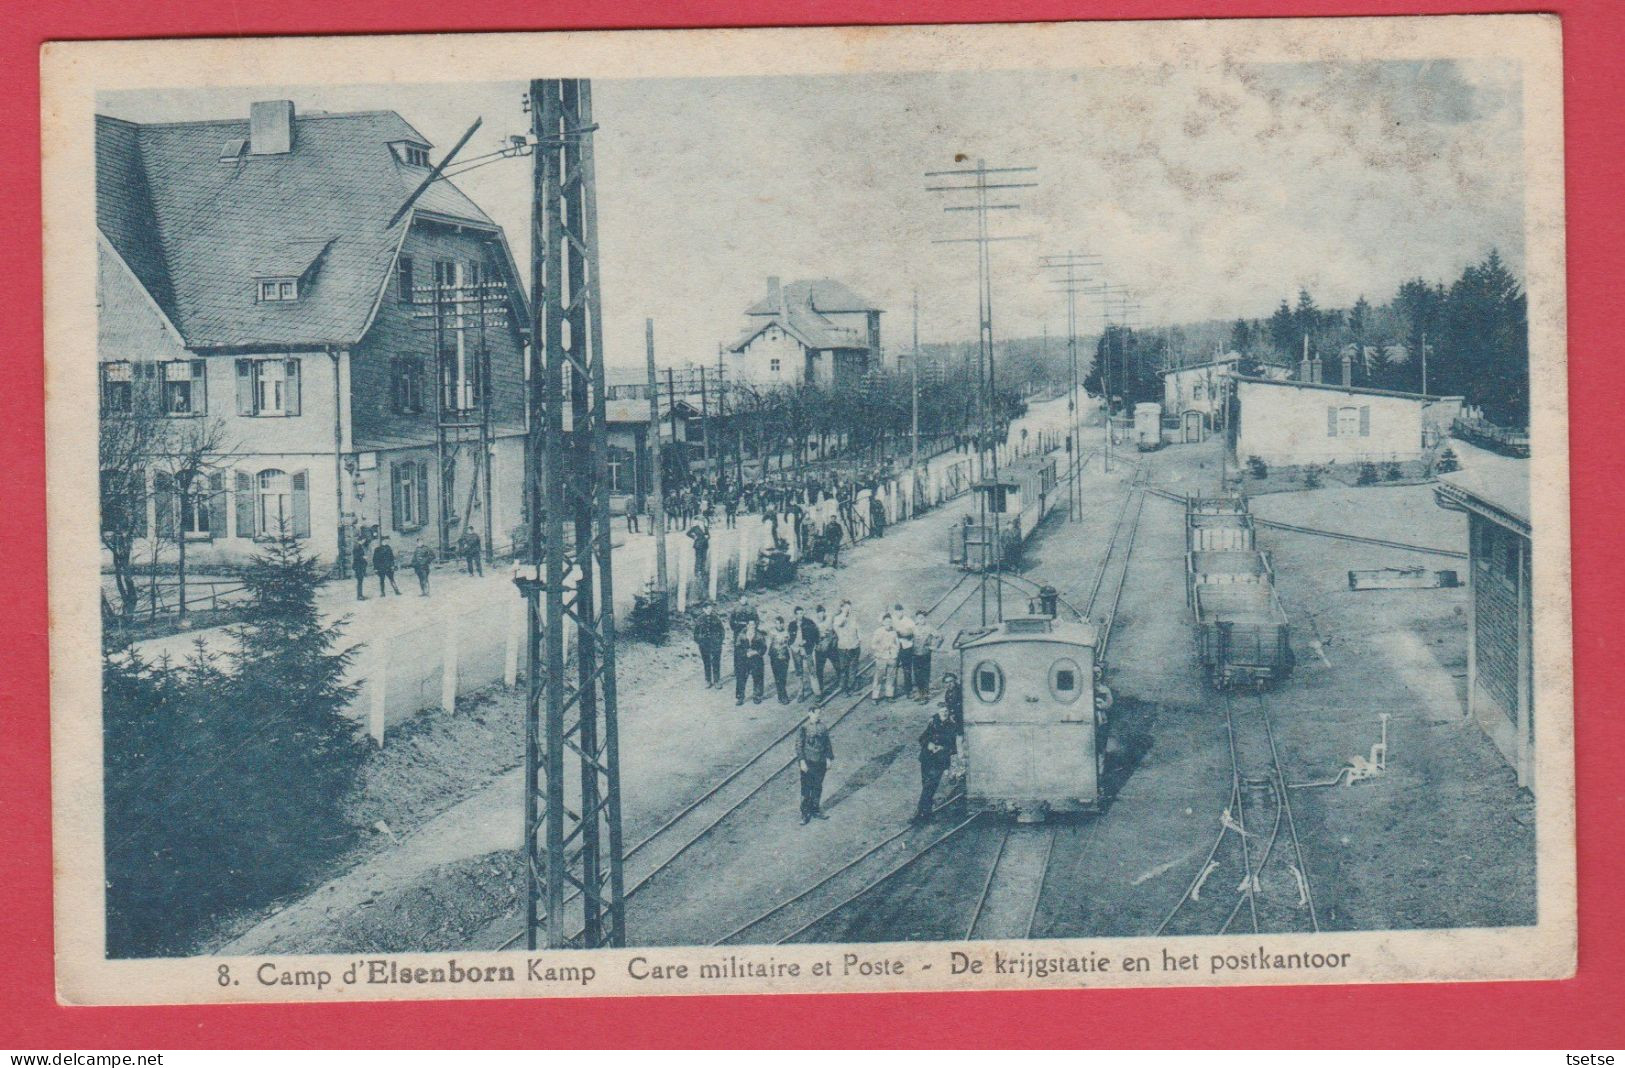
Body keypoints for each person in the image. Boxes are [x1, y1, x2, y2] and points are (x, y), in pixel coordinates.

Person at [914, 708, 957, 823]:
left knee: (929, 786)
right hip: (927, 759)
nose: (944, 713)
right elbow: (921, 738)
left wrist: (943, 748)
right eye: (942, 711)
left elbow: (954, 748)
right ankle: (927, 813)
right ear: (938, 712)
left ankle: (920, 813)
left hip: (939, 761)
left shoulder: (951, 726)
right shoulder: (933, 723)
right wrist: (929, 744)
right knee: (926, 786)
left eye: (946, 712)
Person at [796, 709, 835, 824]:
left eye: (819, 713)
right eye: (816, 713)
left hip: (821, 761)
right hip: (808, 762)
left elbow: (827, 743)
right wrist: (802, 761)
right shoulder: (803, 728)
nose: (818, 716)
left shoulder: (823, 727)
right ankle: (805, 813)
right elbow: (799, 745)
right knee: (806, 788)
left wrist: (828, 758)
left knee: (818, 786)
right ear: (809, 713)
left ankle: (815, 810)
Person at [792, 606, 821, 700]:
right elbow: (788, 638)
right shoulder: (792, 625)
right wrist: (793, 645)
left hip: (807, 650)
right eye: (798, 614)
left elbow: (816, 635)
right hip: (796, 650)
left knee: (812, 671)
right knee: (799, 672)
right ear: (795, 615)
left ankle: (817, 693)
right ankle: (800, 694)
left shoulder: (809, 622)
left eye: (802, 613)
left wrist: (807, 643)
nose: (800, 615)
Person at [735, 620, 766, 706]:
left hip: (756, 659)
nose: (752, 626)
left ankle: (757, 696)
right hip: (744, 660)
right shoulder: (741, 635)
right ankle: (740, 697)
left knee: (757, 677)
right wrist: (745, 653)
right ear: (747, 625)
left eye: (754, 624)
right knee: (741, 677)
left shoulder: (759, 635)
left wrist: (755, 652)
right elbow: (737, 647)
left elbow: (764, 648)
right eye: (750, 624)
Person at [695, 603, 726, 687]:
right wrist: (700, 641)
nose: (710, 610)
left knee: (716, 662)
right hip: (704, 644)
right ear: (704, 609)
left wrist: (719, 640)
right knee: (706, 662)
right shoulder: (699, 619)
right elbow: (696, 632)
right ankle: (708, 680)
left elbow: (722, 630)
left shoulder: (716, 618)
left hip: (715, 643)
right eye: (707, 609)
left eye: (710, 608)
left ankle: (717, 681)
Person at [870, 614, 900, 701]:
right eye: (886, 622)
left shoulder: (894, 632)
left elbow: (897, 644)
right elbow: (873, 644)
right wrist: (880, 650)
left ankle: (889, 695)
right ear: (883, 622)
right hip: (881, 658)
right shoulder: (878, 631)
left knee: (891, 677)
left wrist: (896, 653)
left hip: (892, 657)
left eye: (890, 622)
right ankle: (875, 697)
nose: (888, 623)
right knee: (879, 678)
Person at [834, 600, 862, 693]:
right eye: (846, 607)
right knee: (844, 669)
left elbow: (858, 629)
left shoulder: (853, 618)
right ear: (841, 608)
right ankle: (844, 688)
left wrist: (859, 640)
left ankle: (852, 686)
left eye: (849, 608)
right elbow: (837, 626)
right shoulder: (837, 618)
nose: (848, 610)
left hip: (854, 646)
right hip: (843, 648)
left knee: (853, 668)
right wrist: (844, 617)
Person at [912, 613, 940, 700]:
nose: (921, 620)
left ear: (925, 619)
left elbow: (940, 636)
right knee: (917, 675)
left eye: (922, 618)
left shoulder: (929, 628)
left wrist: (934, 646)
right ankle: (920, 694)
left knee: (925, 675)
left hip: (925, 654)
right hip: (915, 654)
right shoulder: (913, 628)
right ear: (916, 619)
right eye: (919, 618)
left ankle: (925, 695)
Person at [767, 616, 793, 704]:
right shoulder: (771, 632)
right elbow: (768, 644)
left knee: (783, 676)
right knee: (778, 677)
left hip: (785, 656)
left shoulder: (786, 632)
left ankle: (781, 696)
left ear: (783, 624)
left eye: (781, 623)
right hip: (775, 656)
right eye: (777, 623)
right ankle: (783, 696)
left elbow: (789, 642)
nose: (779, 625)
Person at [812, 605, 837, 692]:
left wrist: (833, 642)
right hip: (820, 650)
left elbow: (835, 632)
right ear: (817, 614)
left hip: (830, 648)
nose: (821, 616)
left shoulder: (830, 619)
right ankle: (820, 689)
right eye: (819, 614)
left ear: (824, 613)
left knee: (837, 665)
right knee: (819, 670)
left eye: (822, 613)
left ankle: (842, 682)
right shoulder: (814, 623)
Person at [893, 603, 916, 694]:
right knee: (894, 669)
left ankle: (908, 690)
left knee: (907, 669)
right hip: (895, 647)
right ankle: (892, 691)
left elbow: (912, 633)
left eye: (900, 611)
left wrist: (902, 633)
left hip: (906, 647)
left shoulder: (909, 621)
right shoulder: (892, 620)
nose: (898, 613)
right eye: (896, 612)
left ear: (902, 611)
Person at [689, 521, 710, 591]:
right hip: (698, 545)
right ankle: (697, 571)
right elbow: (688, 533)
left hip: (705, 545)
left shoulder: (706, 528)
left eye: (702, 522)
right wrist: (694, 537)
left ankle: (702, 571)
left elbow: (709, 535)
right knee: (698, 559)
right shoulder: (695, 528)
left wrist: (707, 537)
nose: (702, 523)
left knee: (704, 558)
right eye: (700, 522)